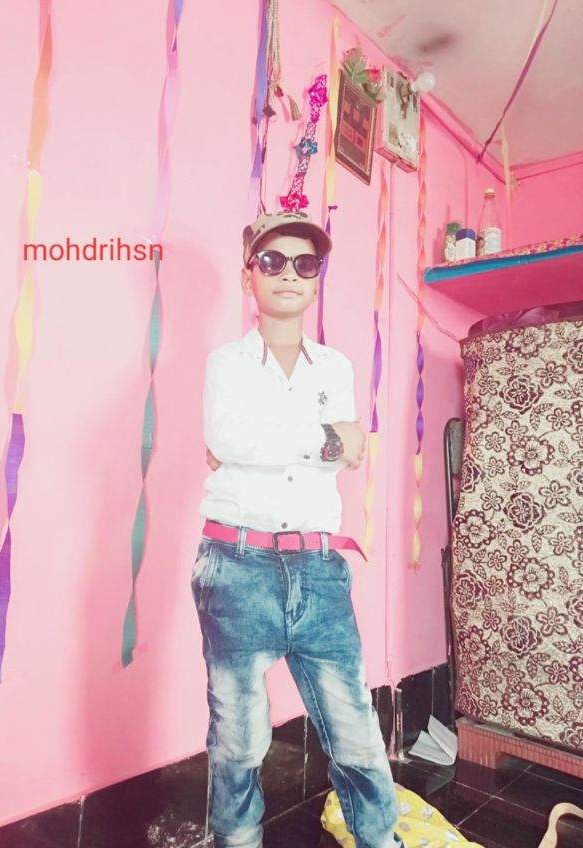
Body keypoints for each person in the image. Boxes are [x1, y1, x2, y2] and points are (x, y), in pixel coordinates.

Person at [191, 211, 400, 848]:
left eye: (305, 264)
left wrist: (256, 445)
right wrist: (328, 438)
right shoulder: (226, 363)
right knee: (238, 740)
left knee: (357, 734)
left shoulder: (334, 368)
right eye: (272, 261)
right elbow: (229, 437)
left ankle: (381, 841)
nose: (289, 273)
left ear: (316, 280)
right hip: (236, 566)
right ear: (248, 277)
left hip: (319, 569)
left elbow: (344, 452)